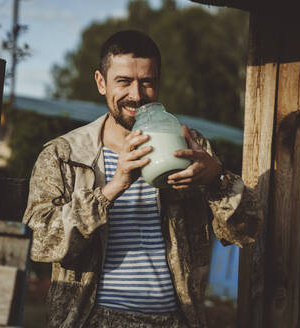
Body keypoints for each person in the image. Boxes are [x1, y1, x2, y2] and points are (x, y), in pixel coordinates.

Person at [23, 30, 261, 328]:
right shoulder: (65, 154)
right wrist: (112, 188)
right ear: (101, 82)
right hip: (93, 321)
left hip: (174, 321)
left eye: (146, 82)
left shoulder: (190, 146)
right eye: (123, 81)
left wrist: (217, 177)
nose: (136, 95)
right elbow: (38, 242)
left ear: (157, 83)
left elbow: (246, 229)